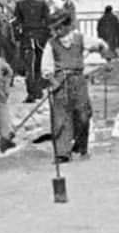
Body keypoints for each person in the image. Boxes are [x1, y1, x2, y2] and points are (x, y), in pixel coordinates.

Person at [41, 11, 109, 163]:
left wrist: (102, 49)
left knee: (83, 115)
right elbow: (46, 67)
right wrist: (53, 81)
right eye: (54, 29)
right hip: (60, 81)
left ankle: (80, 145)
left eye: (59, 28)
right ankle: (62, 153)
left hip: (78, 80)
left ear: (68, 26)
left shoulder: (80, 38)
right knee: (61, 117)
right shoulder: (51, 44)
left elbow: (100, 44)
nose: (57, 31)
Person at [14, 0, 50, 102]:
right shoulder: (42, 4)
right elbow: (48, 21)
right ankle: (38, 90)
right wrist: (46, 36)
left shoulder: (20, 4)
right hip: (40, 37)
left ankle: (31, 93)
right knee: (38, 65)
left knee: (28, 66)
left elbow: (17, 23)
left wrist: (18, 37)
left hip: (26, 37)